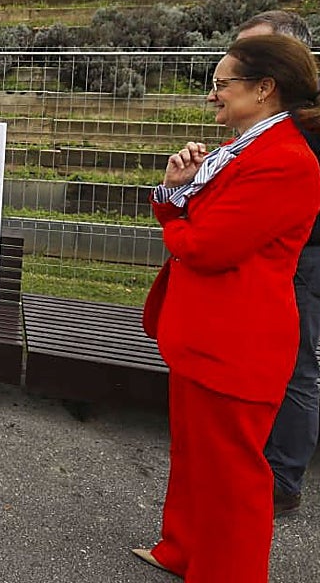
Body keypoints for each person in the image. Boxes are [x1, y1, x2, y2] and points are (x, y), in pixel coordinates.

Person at [132, 34, 320, 580]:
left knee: (234, 476)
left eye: (222, 84)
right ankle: (183, 548)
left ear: (264, 89)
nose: (213, 96)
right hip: (206, 334)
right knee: (195, 457)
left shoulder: (285, 160)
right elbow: (204, 228)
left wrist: (174, 216)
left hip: (237, 341)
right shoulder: (245, 149)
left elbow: (207, 248)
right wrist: (177, 189)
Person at [235, 11, 320, 517]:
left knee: (297, 367)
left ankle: (281, 480)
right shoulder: (266, 124)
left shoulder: (302, 132)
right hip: (269, 256)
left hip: (302, 257)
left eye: (255, 55)